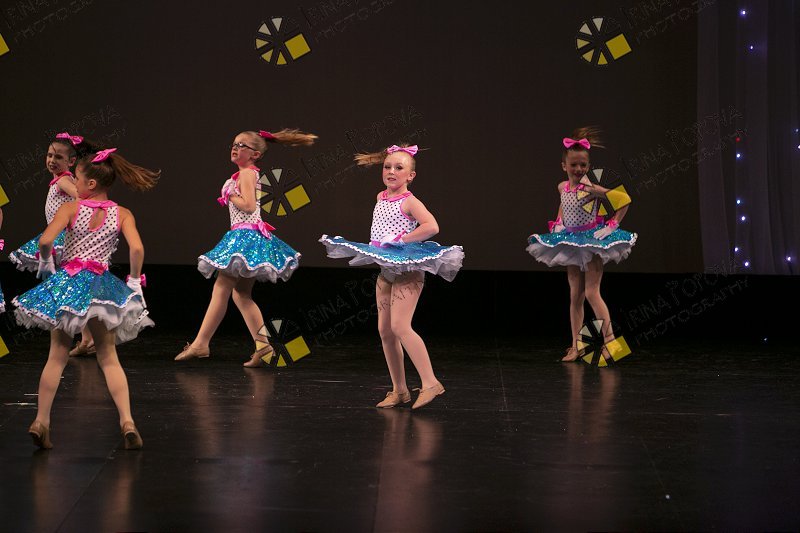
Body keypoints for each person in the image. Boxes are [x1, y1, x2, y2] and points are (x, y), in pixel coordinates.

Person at [13, 147, 158, 449]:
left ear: (91, 184)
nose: (73, 184)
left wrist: (46, 263)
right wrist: (134, 280)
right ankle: (127, 421)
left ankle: (41, 421)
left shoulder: (71, 209)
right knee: (108, 356)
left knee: (57, 355)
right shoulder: (122, 213)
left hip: (69, 284)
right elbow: (137, 249)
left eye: (77, 179)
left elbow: (45, 241)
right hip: (101, 288)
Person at [320, 144, 463, 409]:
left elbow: (432, 226)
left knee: (400, 326)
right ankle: (399, 390)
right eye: (387, 166)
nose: (391, 171)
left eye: (399, 168)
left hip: (408, 271)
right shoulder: (381, 197)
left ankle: (431, 382)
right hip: (387, 271)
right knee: (385, 330)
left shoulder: (410, 201)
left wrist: (401, 239)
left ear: (411, 176)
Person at [175, 129, 316, 367]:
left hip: (245, 237)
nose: (235, 147)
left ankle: (201, 343)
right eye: (234, 144)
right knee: (241, 294)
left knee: (221, 289)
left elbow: (249, 206)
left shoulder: (248, 174)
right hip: (247, 236)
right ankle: (263, 347)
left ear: (255, 155)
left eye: (242, 145)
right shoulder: (244, 174)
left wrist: (230, 194)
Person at [527, 128, 636, 363]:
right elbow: (564, 204)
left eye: (583, 165)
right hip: (571, 242)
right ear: (564, 166)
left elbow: (624, 199)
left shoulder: (590, 188)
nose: (578, 169)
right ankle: (576, 346)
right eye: (574, 165)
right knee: (575, 295)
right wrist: (559, 222)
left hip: (591, 243)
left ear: (588, 166)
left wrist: (612, 225)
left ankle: (612, 344)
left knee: (592, 292)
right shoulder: (562, 187)